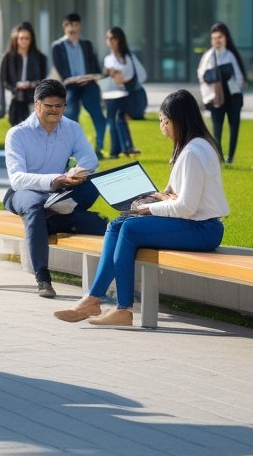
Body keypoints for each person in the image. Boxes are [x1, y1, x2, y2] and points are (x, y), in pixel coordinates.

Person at [55, 89, 229, 327]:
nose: (162, 126)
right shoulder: (195, 146)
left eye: (162, 120)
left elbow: (187, 207)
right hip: (195, 225)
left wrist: (150, 209)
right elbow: (179, 195)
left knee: (130, 230)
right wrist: (157, 197)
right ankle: (94, 299)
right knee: (118, 225)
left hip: (202, 229)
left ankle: (122, 309)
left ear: (174, 120)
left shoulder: (193, 153)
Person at [4, 79, 107, 299]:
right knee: (34, 205)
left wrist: (76, 173)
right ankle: (43, 277)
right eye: (49, 106)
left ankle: (49, 217)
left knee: (94, 183)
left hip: (60, 193)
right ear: (37, 104)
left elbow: (90, 160)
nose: (54, 111)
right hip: (25, 193)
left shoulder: (71, 128)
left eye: (59, 106)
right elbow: (17, 179)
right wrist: (55, 179)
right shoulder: (17, 134)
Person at [50, 13, 106, 159]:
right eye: (69, 25)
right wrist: (70, 79)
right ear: (64, 27)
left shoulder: (87, 44)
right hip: (71, 86)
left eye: (75, 25)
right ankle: (73, 151)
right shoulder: (57, 46)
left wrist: (93, 76)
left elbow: (95, 66)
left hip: (88, 84)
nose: (72, 28)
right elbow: (60, 68)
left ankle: (99, 147)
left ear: (79, 26)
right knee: (70, 116)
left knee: (98, 115)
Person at [196, 21, 246, 164]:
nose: (217, 40)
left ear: (226, 38)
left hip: (233, 96)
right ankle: (219, 157)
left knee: (234, 126)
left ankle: (230, 157)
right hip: (215, 97)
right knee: (217, 128)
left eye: (220, 37)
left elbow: (240, 77)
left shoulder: (231, 55)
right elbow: (201, 75)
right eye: (214, 38)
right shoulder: (208, 56)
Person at [101, 27, 147, 159]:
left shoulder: (129, 57)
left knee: (120, 120)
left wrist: (122, 79)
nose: (110, 41)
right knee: (113, 122)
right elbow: (107, 78)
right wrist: (110, 75)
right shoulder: (107, 59)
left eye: (113, 38)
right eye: (108, 38)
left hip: (125, 95)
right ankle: (117, 151)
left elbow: (141, 75)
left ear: (119, 40)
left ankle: (124, 148)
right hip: (110, 95)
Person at [0, 21, 48, 127]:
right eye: (21, 38)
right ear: (16, 39)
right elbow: (4, 81)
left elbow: (44, 80)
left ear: (31, 39)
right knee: (18, 131)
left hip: (34, 99)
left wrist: (32, 84)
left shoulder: (40, 58)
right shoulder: (8, 58)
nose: (24, 41)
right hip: (16, 99)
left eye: (27, 38)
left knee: (35, 131)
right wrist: (15, 87)